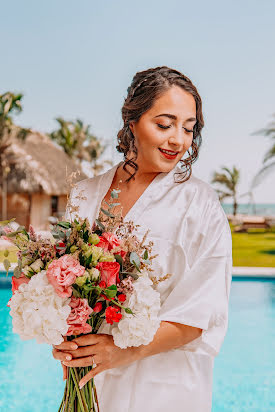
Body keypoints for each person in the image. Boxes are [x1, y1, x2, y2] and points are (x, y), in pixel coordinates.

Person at [52, 66, 232, 412]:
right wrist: (64, 338)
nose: (178, 139)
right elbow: (64, 290)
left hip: (166, 386)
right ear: (131, 122)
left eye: (188, 128)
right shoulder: (84, 195)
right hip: (93, 383)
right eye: (164, 124)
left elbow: (202, 310)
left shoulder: (200, 203)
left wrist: (124, 350)